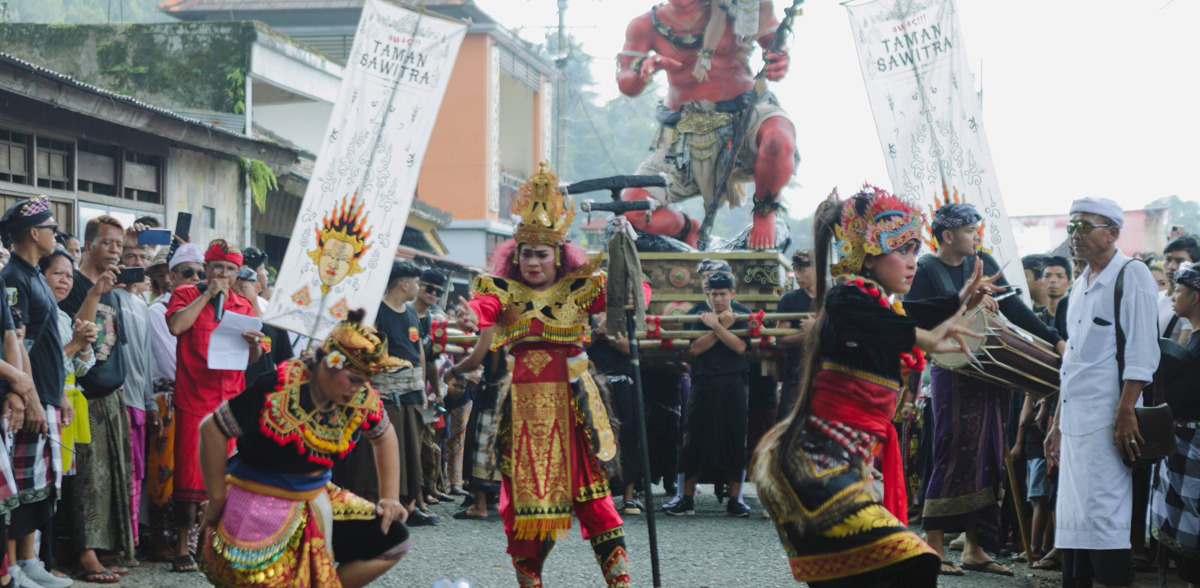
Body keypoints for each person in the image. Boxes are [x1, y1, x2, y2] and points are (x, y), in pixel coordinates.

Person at [755, 185, 995, 587]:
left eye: (916, 251)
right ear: (867, 256)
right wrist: (924, 337)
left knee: (863, 578)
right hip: (813, 466)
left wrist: (958, 300)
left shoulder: (879, 303)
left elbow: (908, 313)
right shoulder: (847, 298)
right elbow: (877, 321)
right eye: (903, 250)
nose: (913, 262)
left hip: (843, 463)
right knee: (914, 563)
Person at [455, 163, 647, 587]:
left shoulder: (580, 287)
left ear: (559, 255)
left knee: (596, 504)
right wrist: (469, 315)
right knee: (524, 514)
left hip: (575, 410)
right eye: (526, 253)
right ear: (515, 255)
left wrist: (623, 250)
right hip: (525, 415)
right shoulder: (500, 292)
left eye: (543, 254)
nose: (534, 262)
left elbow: (634, 292)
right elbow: (481, 309)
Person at [196, 309, 410, 588]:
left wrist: (390, 497)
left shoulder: (358, 397)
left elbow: (384, 434)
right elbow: (211, 429)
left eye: (364, 382)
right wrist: (217, 499)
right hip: (257, 502)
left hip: (316, 496)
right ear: (331, 364)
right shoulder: (275, 389)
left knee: (393, 539)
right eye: (355, 379)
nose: (359, 390)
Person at [907, 202, 1065, 577]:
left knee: (990, 454)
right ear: (947, 236)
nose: (976, 236)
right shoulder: (926, 269)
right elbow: (919, 317)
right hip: (953, 370)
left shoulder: (986, 262)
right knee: (952, 449)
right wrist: (967, 301)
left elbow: (1014, 308)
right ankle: (934, 547)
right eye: (968, 230)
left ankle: (975, 549)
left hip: (992, 373)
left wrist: (1054, 339)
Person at [1045, 197, 1159, 588]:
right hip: (1075, 424)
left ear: (1112, 232)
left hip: (1110, 422)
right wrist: (1056, 424)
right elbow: (1073, 363)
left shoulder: (1133, 274)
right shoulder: (1080, 285)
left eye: (1084, 226)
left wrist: (1126, 411)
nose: (1074, 235)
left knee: (1106, 517)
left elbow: (1143, 352)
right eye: (1071, 226)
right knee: (1075, 519)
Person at [617, 0, 795, 249]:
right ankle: (687, 229)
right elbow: (626, 83)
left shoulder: (735, 8)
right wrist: (644, 70)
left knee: (778, 137)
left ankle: (764, 211)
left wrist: (778, 57)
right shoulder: (644, 25)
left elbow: (774, 40)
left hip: (745, 116)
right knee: (631, 207)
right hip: (683, 133)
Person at [166, 239, 265, 573]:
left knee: (228, 475)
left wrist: (254, 346)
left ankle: (217, 545)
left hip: (231, 401)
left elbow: (254, 358)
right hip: (194, 397)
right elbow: (176, 326)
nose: (224, 274)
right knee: (190, 471)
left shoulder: (243, 304)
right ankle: (181, 545)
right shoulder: (186, 295)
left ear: (238, 274)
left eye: (231, 269)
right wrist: (208, 294)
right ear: (206, 269)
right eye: (218, 267)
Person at [57, 214, 135, 582]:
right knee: (87, 478)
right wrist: (94, 293)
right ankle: (84, 556)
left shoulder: (115, 290)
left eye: (119, 245)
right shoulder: (72, 287)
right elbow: (79, 335)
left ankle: (103, 550)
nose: (114, 250)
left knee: (110, 478)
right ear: (88, 246)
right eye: (107, 243)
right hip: (83, 395)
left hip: (113, 395)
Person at [0, 196, 72, 588]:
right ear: (33, 233)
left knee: (37, 484)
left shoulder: (31, 275)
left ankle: (28, 561)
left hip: (41, 390)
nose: (55, 236)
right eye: (51, 229)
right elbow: (18, 344)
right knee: (18, 484)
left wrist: (52, 393)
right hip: (26, 394)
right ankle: (11, 567)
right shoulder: (14, 277)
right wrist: (25, 396)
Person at [333, 259, 437, 525]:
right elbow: (363, 352)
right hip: (385, 392)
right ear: (404, 284)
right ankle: (374, 505)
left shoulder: (412, 312)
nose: (417, 286)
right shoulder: (375, 312)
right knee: (376, 451)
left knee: (412, 450)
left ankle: (408, 505)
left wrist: (423, 386)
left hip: (413, 390)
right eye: (415, 282)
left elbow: (420, 353)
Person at [666, 271, 752, 517]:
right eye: (713, 294)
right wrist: (719, 328)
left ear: (732, 294)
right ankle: (685, 498)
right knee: (692, 438)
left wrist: (716, 326)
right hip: (702, 382)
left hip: (733, 382)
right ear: (708, 293)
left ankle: (736, 500)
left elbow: (740, 347)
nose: (717, 299)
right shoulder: (696, 314)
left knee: (735, 439)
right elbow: (694, 348)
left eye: (723, 294)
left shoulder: (741, 312)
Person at [144, 242, 204, 562]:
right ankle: (159, 539)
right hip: (170, 396)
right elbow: (170, 360)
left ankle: (194, 539)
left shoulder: (209, 304)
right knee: (164, 473)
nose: (195, 278)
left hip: (199, 397)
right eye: (187, 272)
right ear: (171, 275)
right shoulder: (158, 310)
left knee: (199, 471)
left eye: (200, 273)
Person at [1151, 262, 1200, 587]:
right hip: (1183, 435)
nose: (1171, 296)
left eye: (1178, 290)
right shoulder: (1193, 338)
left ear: (1195, 297)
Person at [118, 227, 162, 554]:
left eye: (141, 257)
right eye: (129, 255)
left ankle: (131, 544)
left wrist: (151, 403)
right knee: (121, 474)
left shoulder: (140, 303)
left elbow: (146, 357)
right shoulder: (109, 294)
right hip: (117, 397)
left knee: (137, 475)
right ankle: (120, 544)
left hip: (138, 400)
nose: (136, 261)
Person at [40, 249, 96, 477]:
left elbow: (80, 369)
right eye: (57, 274)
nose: (65, 280)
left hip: (68, 405)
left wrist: (84, 345)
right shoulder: (37, 316)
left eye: (70, 276)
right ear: (41, 276)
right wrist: (75, 343)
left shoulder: (63, 316)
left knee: (62, 481)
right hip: (47, 403)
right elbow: (43, 366)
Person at [445, 326, 506, 521]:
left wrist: (452, 371)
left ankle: (480, 505)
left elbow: (477, 357)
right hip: (515, 390)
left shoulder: (495, 325)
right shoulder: (522, 319)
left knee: (481, 446)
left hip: (493, 390)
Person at [587, 312, 642, 515]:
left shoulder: (627, 317)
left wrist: (609, 333)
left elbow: (631, 348)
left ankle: (629, 495)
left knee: (628, 437)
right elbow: (578, 347)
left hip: (622, 384)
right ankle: (602, 495)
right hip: (594, 384)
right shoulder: (585, 315)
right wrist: (595, 332)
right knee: (598, 439)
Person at [776, 249, 816, 419]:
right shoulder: (790, 299)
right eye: (796, 270)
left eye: (802, 271)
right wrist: (808, 335)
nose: (797, 276)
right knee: (788, 425)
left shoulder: (832, 295)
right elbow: (780, 339)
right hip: (796, 373)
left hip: (826, 373)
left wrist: (818, 328)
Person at [1161, 236, 1198, 344]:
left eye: (1180, 261)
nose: (1172, 266)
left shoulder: (1188, 305)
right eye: (1168, 259)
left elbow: (1181, 355)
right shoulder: (1154, 297)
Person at [1039, 256, 1073, 326]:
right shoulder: (1036, 319)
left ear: (1070, 284)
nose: (1053, 280)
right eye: (1047, 276)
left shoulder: (1075, 316)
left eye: (1060, 276)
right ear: (1040, 283)